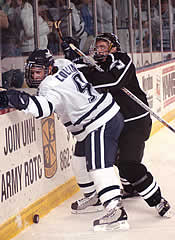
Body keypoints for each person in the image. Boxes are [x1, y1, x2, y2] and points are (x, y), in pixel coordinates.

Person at [0, 48, 129, 232]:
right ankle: (93, 196)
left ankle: (115, 210)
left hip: (99, 121)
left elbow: (43, 109)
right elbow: (80, 65)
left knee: (98, 166)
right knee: (78, 162)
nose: (35, 76)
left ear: (49, 68)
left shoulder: (49, 86)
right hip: (98, 116)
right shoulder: (63, 63)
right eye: (32, 72)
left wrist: (17, 99)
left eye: (38, 72)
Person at [61, 33, 171, 218]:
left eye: (103, 46)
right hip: (111, 122)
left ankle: (157, 200)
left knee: (127, 164)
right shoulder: (93, 65)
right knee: (96, 158)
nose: (98, 50)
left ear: (114, 48)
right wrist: (73, 56)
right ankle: (119, 189)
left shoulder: (121, 59)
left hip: (135, 123)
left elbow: (113, 81)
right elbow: (75, 78)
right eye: (96, 46)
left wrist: (86, 70)